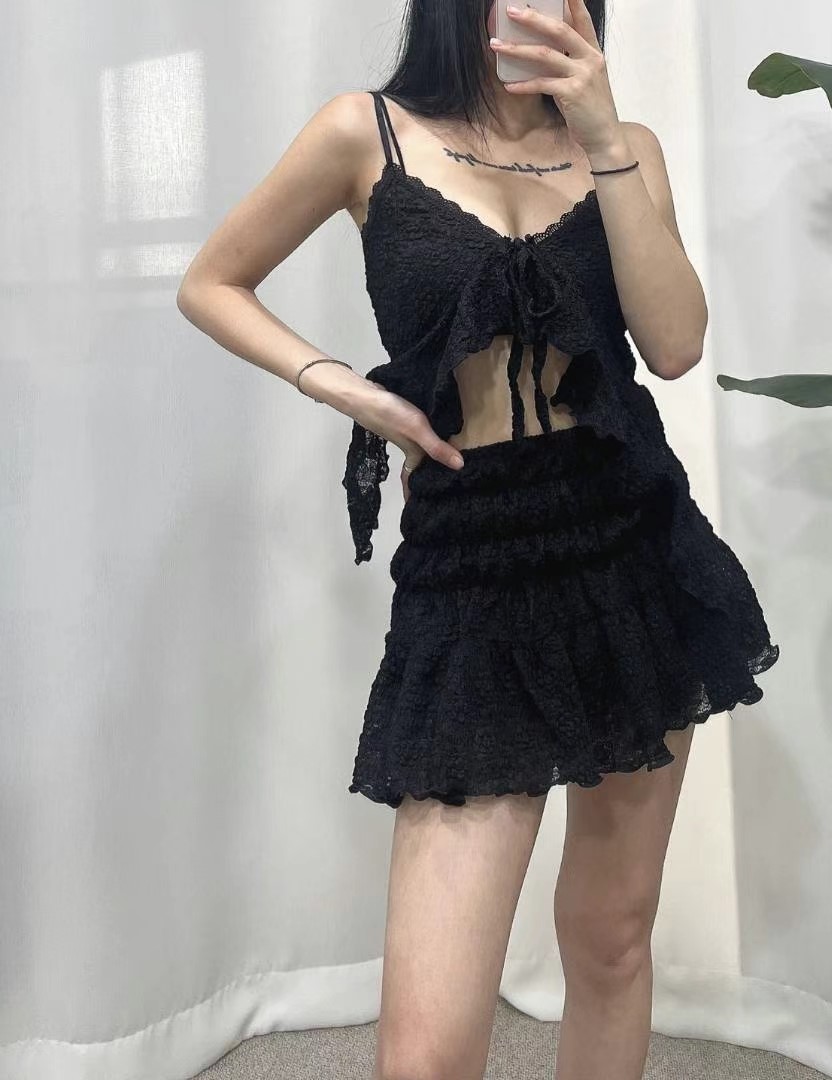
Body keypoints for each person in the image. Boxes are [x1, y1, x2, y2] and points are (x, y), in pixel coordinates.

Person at [177, 1, 779, 1077]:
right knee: (425, 1048)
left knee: (612, 936)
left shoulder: (625, 148)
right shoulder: (364, 132)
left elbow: (676, 344)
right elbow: (211, 282)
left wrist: (604, 133)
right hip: (473, 564)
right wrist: (346, 389)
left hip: (632, 542)